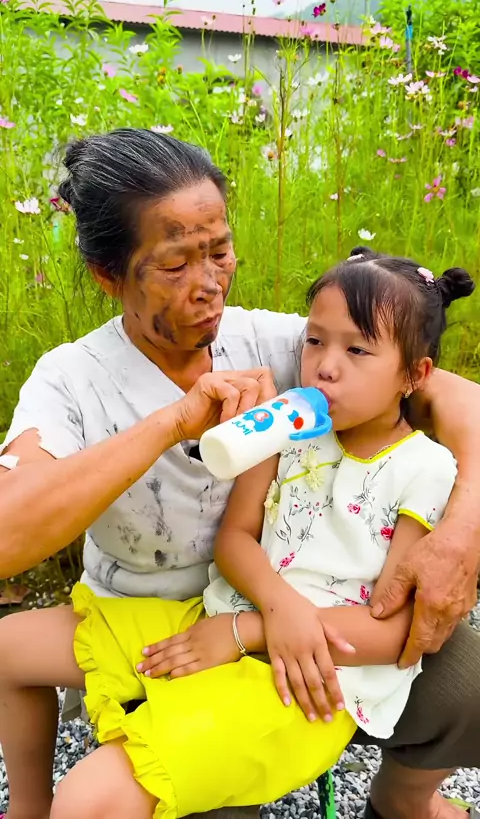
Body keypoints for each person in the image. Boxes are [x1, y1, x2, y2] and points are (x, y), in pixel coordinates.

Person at [0, 130, 479, 819]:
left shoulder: (292, 347)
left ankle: (406, 802)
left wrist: (463, 529)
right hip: (169, 615)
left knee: (470, 684)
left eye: (219, 252)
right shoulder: (73, 380)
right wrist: (173, 422)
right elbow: (8, 533)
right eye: (175, 264)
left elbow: (450, 395)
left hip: (292, 622)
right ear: (109, 276)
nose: (210, 286)